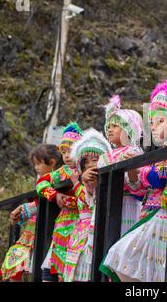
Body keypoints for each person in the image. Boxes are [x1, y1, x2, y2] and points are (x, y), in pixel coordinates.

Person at [99, 80, 167, 282]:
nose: (154, 128)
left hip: (164, 214)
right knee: (131, 262)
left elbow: (162, 177)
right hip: (148, 210)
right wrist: (133, 173)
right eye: (152, 123)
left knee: (124, 256)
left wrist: (138, 170)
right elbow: (140, 190)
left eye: (161, 122)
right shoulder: (156, 152)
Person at [0, 144, 63, 281]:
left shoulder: (58, 178)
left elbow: (42, 202)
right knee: (14, 263)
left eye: (39, 163)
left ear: (52, 162)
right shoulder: (42, 181)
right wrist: (22, 213)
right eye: (35, 164)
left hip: (48, 229)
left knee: (43, 268)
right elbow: (37, 204)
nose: (36, 167)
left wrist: (25, 209)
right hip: (33, 229)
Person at [63, 128, 112, 282]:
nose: (91, 164)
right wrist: (83, 182)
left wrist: (78, 183)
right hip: (81, 232)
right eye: (86, 161)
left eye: (95, 159)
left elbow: (87, 199)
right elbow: (85, 199)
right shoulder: (87, 182)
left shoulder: (105, 179)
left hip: (97, 227)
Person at [37, 122, 83, 282]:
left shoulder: (86, 170)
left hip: (80, 222)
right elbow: (41, 182)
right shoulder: (61, 172)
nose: (67, 155)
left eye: (71, 151)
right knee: (54, 264)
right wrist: (54, 195)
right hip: (63, 222)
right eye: (63, 152)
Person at [99, 95, 146, 235]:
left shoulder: (134, 151)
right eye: (108, 126)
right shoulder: (104, 156)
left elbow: (136, 185)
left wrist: (131, 167)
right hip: (107, 202)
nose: (110, 130)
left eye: (115, 126)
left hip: (128, 203)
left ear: (128, 129)